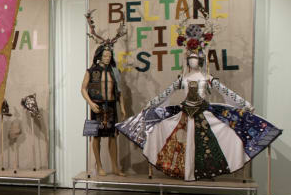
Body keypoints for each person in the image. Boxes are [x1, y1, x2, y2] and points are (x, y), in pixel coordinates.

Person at [117, 22, 281, 180]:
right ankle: (186, 171)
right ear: (187, 59)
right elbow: (166, 94)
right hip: (185, 113)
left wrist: (244, 104)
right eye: (191, 57)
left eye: (196, 57)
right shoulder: (183, 78)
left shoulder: (207, 78)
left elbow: (227, 92)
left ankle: (197, 171)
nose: (193, 60)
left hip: (203, 112)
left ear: (200, 59)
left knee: (215, 139)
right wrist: (151, 105)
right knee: (169, 133)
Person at [81, 44, 124, 176]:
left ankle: (115, 167)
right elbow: (83, 89)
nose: (107, 58)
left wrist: (122, 107)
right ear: (99, 56)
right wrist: (90, 103)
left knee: (113, 136)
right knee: (96, 136)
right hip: (97, 106)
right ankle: (99, 166)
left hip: (111, 106)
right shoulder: (91, 71)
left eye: (109, 56)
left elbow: (119, 91)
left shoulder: (114, 71)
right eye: (105, 55)